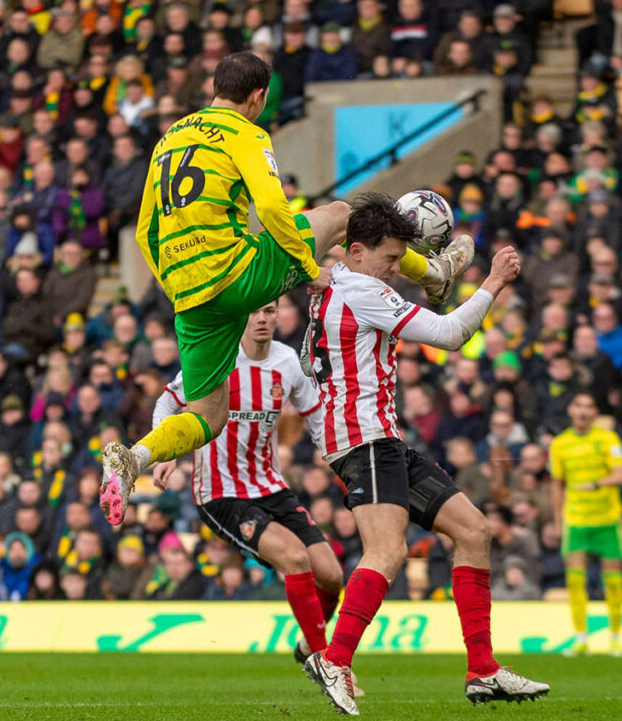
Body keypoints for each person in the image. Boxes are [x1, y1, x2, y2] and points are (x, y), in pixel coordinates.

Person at [100, 52, 468, 521]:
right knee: (339, 215)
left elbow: (143, 231)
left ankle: (134, 458)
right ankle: (435, 274)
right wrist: (305, 264)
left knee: (207, 418)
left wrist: (176, 285)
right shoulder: (246, 133)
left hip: (190, 295)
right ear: (259, 96)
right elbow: (274, 210)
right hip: (236, 271)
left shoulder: (169, 137)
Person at [299, 194, 548, 716]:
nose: (396, 270)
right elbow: (451, 334)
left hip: (381, 439)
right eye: (391, 259)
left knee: (474, 531)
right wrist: (493, 282)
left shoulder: (335, 278)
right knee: (386, 553)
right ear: (358, 250)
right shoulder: (362, 288)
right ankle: (334, 658)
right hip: (363, 441)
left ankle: (482, 669)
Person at [151, 301, 347, 674]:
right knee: (295, 559)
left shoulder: (289, 362)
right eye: (254, 312)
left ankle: (309, 644)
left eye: (269, 311)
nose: (261, 318)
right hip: (220, 491)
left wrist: (338, 459)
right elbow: (167, 400)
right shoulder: (217, 357)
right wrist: (165, 451)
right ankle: (328, 665)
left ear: (277, 316)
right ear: (241, 316)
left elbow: (317, 417)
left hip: (270, 485)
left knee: (331, 575)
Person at [549, 392, 622, 657]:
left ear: (595, 412)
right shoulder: (560, 444)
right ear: (571, 410)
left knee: (613, 580)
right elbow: (557, 485)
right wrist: (558, 521)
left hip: (607, 518)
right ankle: (581, 638)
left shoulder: (608, 439)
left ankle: (615, 639)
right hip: (577, 520)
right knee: (574, 578)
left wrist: (596, 484)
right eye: (578, 405)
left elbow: (621, 474)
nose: (583, 411)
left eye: (589, 406)